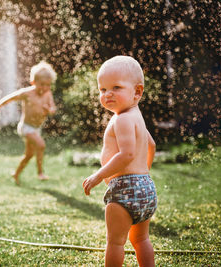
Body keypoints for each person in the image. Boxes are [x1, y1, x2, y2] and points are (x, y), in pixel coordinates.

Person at [82, 55, 157, 267]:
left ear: (137, 92)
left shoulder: (122, 119)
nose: (107, 94)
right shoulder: (137, 116)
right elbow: (151, 144)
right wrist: (145, 172)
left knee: (115, 243)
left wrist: (99, 175)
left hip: (124, 189)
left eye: (116, 87)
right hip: (145, 188)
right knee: (141, 239)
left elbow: (127, 155)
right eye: (102, 89)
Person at [0, 61, 57, 185]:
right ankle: (40, 172)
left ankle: (16, 174)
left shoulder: (48, 94)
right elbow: (11, 97)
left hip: (37, 128)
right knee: (41, 145)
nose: (44, 88)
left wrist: (50, 110)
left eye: (48, 85)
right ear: (34, 82)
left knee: (29, 155)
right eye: (41, 84)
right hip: (26, 127)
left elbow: (53, 109)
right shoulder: (27, 93)